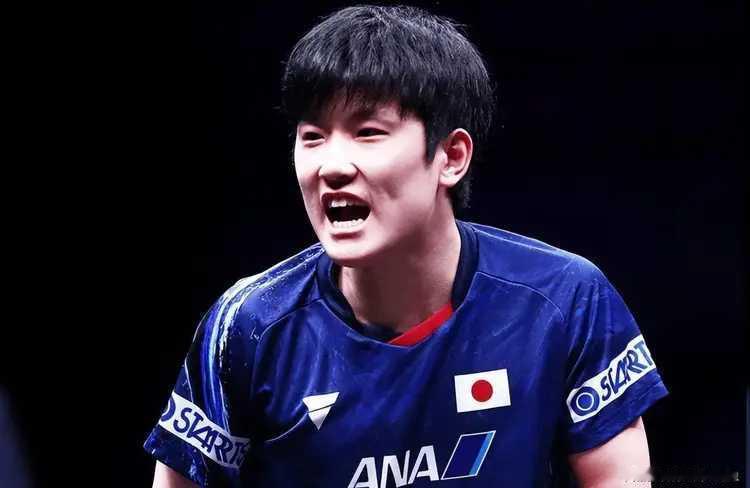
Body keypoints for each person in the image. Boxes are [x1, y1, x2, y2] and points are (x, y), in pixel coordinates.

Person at [145, 5, 668, 487]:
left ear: (451, 157)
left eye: (369, 132)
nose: (331, 166)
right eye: (313, 136)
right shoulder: (248, 325)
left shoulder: (565, 301)